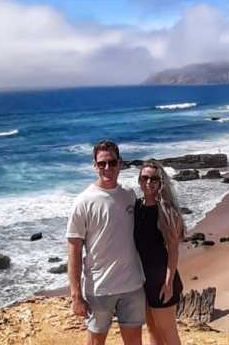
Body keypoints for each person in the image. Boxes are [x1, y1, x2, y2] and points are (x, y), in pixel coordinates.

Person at [66, 140, 146, 345]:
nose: (107, 168)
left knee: (134, 341)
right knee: (95, 341)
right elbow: (74, 249)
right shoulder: (84, 201)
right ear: (95, 166)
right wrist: (76, 295)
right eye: (102, 164)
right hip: (100, 288)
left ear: (120, 163)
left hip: (132, 285)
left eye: (111, 162)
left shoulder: (129, 196)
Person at [134, 160, 185, 345]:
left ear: (161, 181)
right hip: (142, 279)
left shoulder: (166, 211)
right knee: (152, 329)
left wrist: (168, 283)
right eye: (144, 178)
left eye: (153, 179)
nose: (148, 182)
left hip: (161, 281)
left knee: (168, 332)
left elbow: (173, 250)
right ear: (139, 181)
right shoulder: (136, 207)